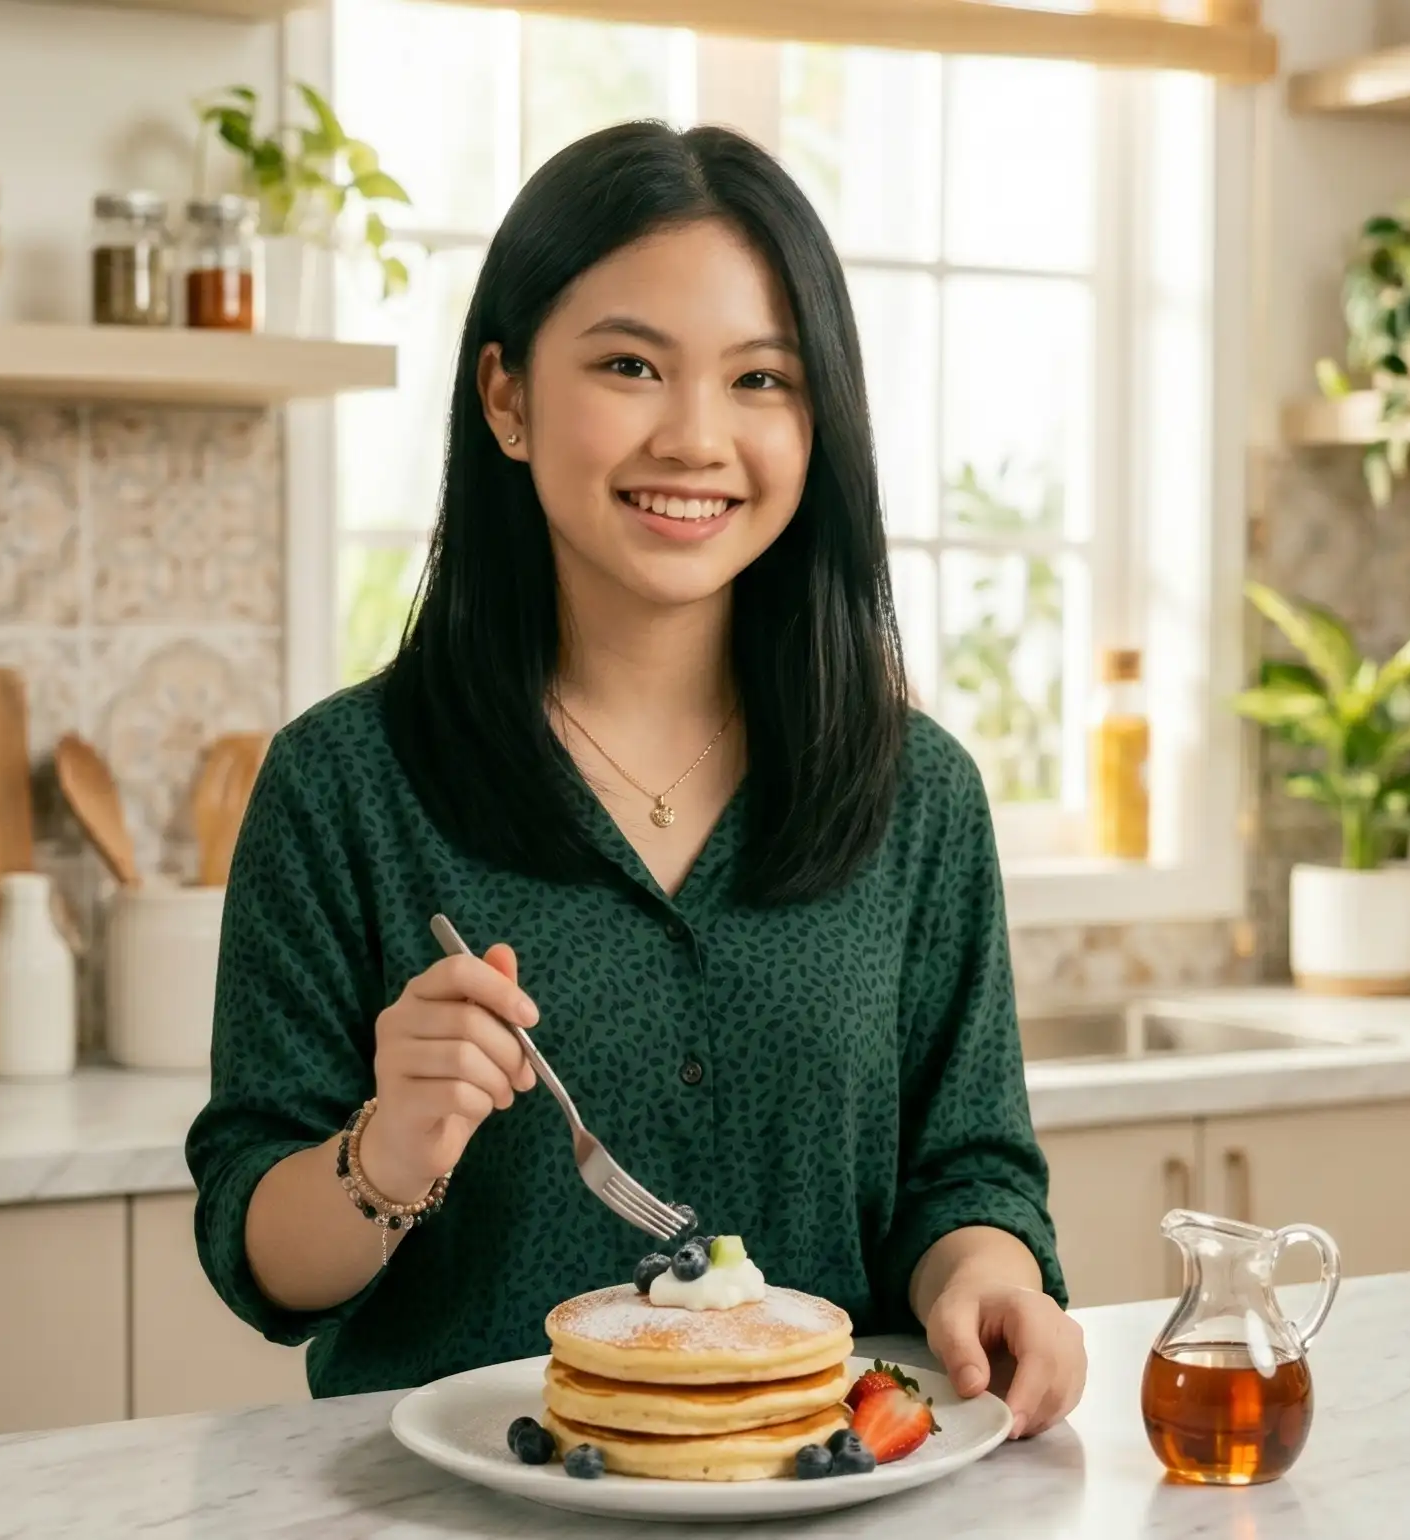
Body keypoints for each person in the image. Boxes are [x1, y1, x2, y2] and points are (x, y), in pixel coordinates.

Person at [186, 119, 1086, 1438]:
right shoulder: (345, 787)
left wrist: (992, 1282)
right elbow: (262, 1265)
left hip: (815, 1506)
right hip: (457, 1525)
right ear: (505, 397)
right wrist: (388, 1151)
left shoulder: (916, 794)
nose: (694, 437)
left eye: (760, 381)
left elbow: (967, 1179)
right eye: (627, 365)